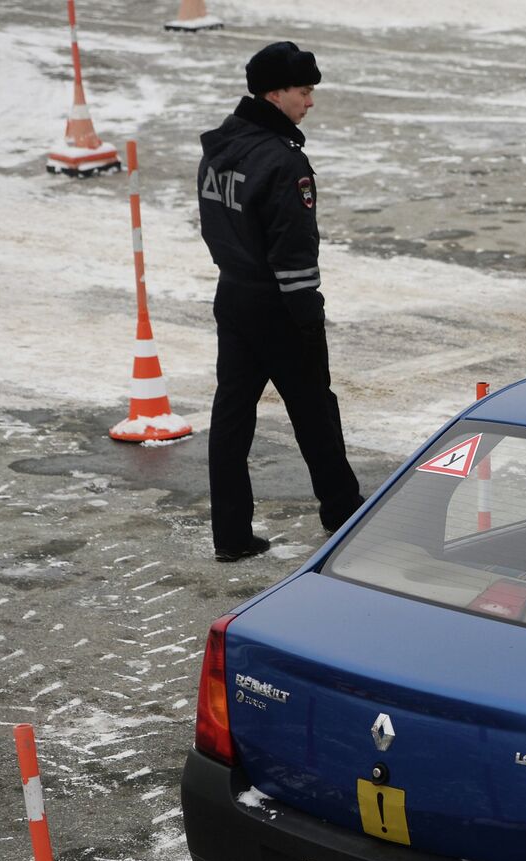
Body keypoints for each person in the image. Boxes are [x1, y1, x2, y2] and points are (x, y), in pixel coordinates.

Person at [198, 41, 364, 562]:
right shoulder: (281, 161)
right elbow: (293, 245)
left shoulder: (222, 147)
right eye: (303, 90)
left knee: (231, 417)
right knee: (315, 409)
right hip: (278, 304)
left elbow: (215, 225)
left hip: (233, 293)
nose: (309, 101)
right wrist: (306, 313)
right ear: (275, 94)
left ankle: (230, 534)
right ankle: (342, 513)